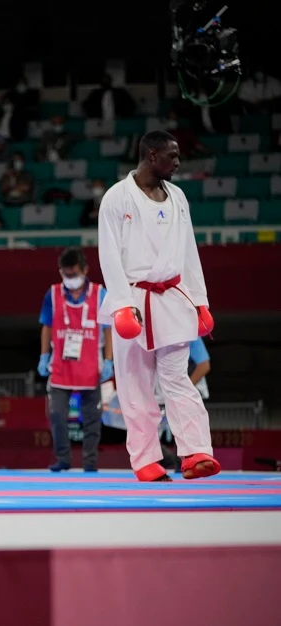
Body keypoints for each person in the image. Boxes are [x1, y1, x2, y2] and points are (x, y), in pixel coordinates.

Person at [97, 130, 218, 482]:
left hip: (173, 298)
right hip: (133, 298)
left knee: (177, 378)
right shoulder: (117, 197)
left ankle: (196, 452)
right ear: (152, 155)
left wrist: (200, 301)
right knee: (135, 385)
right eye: (172, 155)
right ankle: (146, 459)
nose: (178, 162)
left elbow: (189, 252)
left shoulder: (178, 197)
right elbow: (108, 254)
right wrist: (121, 304)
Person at [37, 247, 114, 472]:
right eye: (65, 274)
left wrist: (108, 360)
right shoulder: (52, 294)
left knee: (92, 418)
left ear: (85, 270)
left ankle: (90, 462)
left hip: (91, 366)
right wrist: (44, 355)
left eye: (74, 274)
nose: (69, 278)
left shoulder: (100, 293)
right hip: (60, 366)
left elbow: (108, 329)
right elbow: (46, 326)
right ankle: (63, 458)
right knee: (57, 415)